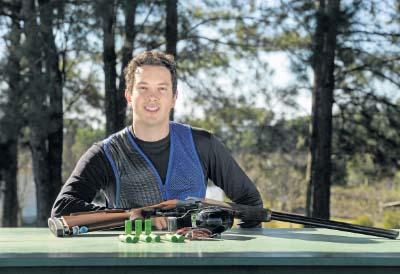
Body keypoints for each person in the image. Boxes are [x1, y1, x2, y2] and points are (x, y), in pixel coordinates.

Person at [51, 50, 263, 229]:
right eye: (143, 88)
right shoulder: (105, 153)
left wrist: (227, 239)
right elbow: (62, 211)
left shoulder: (204, 145)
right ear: (129, 96)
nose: (152, 96)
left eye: (162, 88)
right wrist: (133, 216)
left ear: (174, 97)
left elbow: (252, 205)